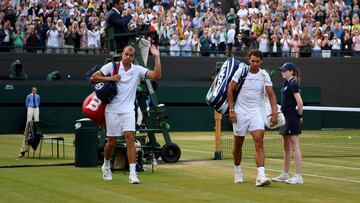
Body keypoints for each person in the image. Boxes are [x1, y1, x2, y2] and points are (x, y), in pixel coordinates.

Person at [90, 45, 161, 184]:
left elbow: (156, 75)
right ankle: (106, 164)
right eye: (126, 54)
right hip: (112, 109)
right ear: (122, 54)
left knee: (130, 138)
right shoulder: (112, 66)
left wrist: (157, 57)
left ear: (134, 57)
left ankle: (133, 174)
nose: (128, 57)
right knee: (112, 141)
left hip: (128, 110)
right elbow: (93, 78)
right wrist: (111, 78)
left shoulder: (137, 70)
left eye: (131, 55)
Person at [227, 49, 278, 187]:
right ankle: (237, 170)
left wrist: (275, 113)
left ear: (261, 61)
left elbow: (271, 95)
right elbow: (230, 90)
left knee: (259, 142)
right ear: (249, 59)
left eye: (257, 61)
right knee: (238, 144)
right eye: (252, 60)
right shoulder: (241, 72)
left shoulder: (264, 75)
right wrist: (231, 110)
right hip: (240, 112)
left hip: (256, 112)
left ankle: (261, 176)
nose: (254, 63)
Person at [272, 62, 304, 184]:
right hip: (284, 118)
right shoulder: (286, 84)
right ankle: (285, 173)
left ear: (291, 71)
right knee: (286, 147)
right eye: (282, 70)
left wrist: (299, 115)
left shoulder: (293, 84)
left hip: (291, 117)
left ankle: (298, 176)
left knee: (295, 146)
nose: (282, 72)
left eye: (285, 70)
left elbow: (299, 103)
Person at [19, 86, 40, 157]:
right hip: (30, 107)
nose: (35, 91)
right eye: (34, 90)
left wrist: (36, 106)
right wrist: (28, 107)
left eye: (36, 90)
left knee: (37, 119)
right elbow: (26, 103)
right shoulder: (28, 96)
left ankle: (37, 130)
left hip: (36, 107)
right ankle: (27, 129)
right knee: (29, 120)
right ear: (32, 90)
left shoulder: (38, 96)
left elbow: (38, 102)